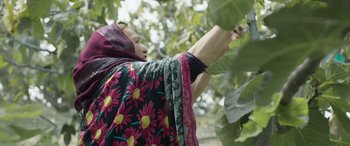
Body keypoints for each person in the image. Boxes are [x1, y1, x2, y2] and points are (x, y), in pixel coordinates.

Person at [73, 22, 243, 146]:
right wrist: (229, 17)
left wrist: (220, 48)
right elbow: (184, 65)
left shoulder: (103, 93)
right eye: (137, 41)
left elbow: (181, 95)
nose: (145, 48)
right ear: (116, 46)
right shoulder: (123, 76)